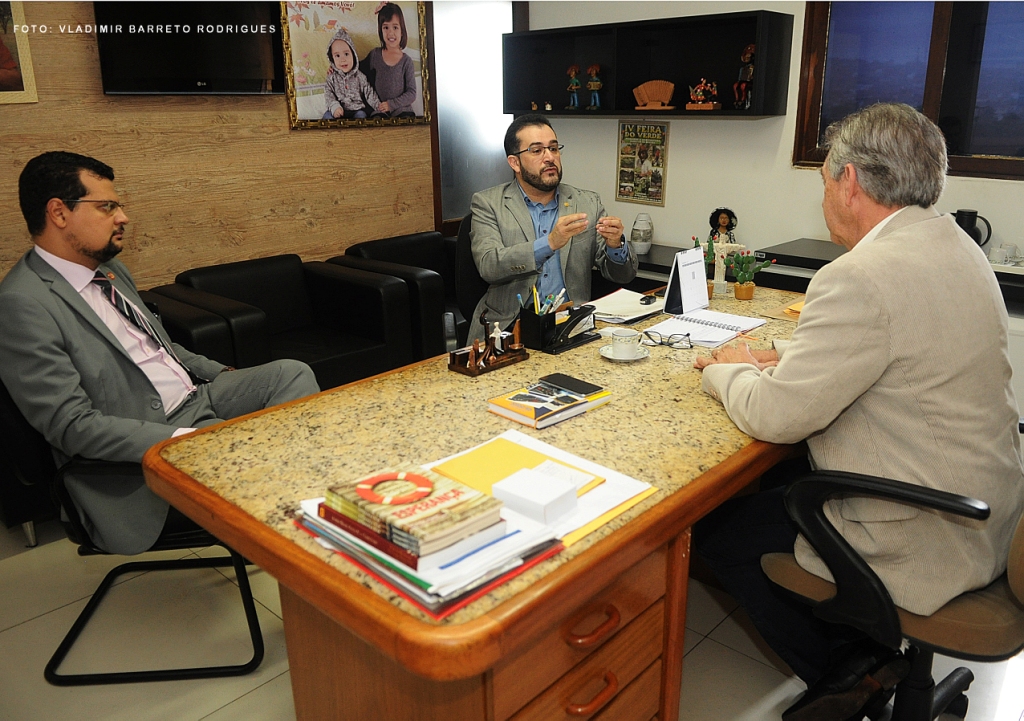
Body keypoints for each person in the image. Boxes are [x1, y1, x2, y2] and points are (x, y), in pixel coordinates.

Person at [692, 103, 1024, 721]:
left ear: (850, 182)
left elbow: (775, 417)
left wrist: (722, 370)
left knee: (717, 530)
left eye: (822, 181)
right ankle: (864, 650)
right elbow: (901, 342)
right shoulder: (955, 245)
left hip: (927, 533)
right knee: (788, 484)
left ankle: (854, 670)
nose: (822, 197)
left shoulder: (862, 275)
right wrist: (781, 351)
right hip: (990, 513)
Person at [0, 152, 321, 555]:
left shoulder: (112, 271)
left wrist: (221, 374)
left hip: (196, 398)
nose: (123, 217)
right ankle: (288, 515)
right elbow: (71, 426)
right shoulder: (22, 304)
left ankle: (275, 493)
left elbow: (163, 349)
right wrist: (183, 441)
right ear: (58, 213)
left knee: (291, 373)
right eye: (107, 206)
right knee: (287, 455)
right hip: (143, 442)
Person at [467, 114, 638, 343]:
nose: (550, 158)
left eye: (554, 148)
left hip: (572, 328)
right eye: (537, 151)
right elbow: (489, 265)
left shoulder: (586, 202)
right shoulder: (488, 203)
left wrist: (615, 245)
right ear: (514, 162)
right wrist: (548, 243)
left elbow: (623, 275)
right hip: (510, 331)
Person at [362, 2, 417, 119]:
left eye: (395, 27)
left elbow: (411, 93)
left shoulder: (406, 61)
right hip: (380, 110)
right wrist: (336, 69)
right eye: (386, 27)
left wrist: (391, 104)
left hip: (402, 110)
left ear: (402, 31)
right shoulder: (375, 55)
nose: (390, 32)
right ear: (381, 30)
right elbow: (355, 69)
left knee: (405, 126)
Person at [324, 28, 382, 120]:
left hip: (356, 110)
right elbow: (328, 94)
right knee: (327, 116)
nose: (343, 59)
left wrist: (379, 107)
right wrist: (334, 107)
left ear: (353, 55)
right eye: (337, 56)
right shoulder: (332, 77)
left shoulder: (360, 76)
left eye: (346, 54)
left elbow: (369, 93)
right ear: (332, 59)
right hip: (338, 109)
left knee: (361, 116)